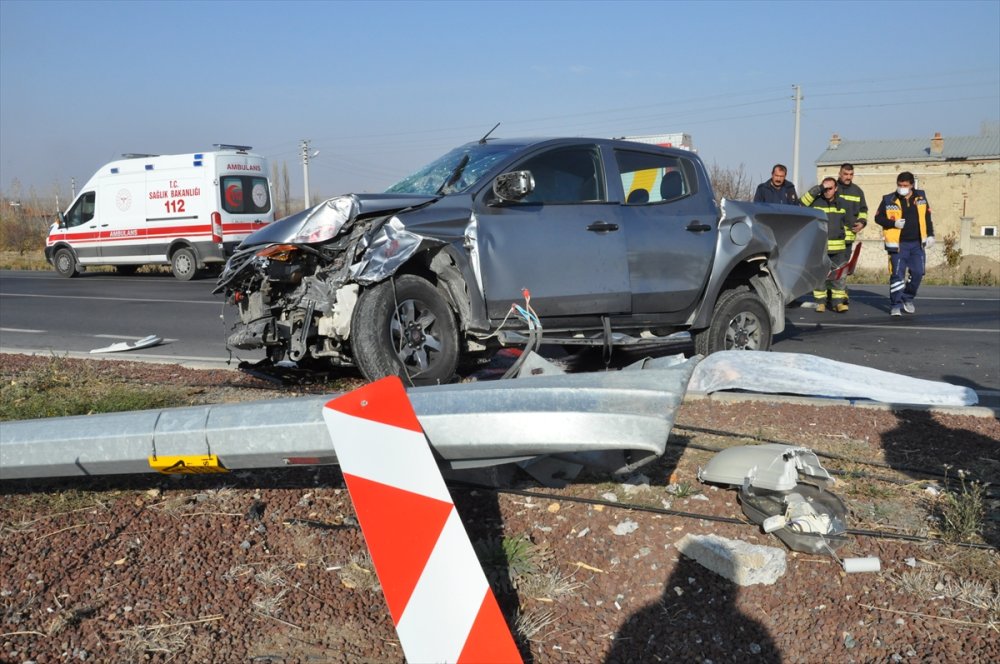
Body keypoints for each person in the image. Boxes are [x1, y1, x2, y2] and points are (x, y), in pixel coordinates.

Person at [801, 164, 867, 305]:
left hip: (847, 239)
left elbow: (863, 210)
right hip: (830, 239)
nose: (848, 177)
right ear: (839, 174)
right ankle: (829, 298)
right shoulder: (829, 190)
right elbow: (803, 204)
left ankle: (840, 297)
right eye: (845, 174)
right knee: (827, 269)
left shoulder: (857, 191)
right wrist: (820, 188)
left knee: (841, 271)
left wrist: (862, 222)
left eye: (851, 174)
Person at [874, 171, 935, 316]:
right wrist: (893, 223)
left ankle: (907, 298)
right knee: (897, 275)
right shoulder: (888, 199)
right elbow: (878, 218)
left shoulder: (921, 198)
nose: (902, 188)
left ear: (912, 185)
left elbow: (927, 217)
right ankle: (895, 304)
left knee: (918, 273)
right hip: (898, 245)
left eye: (905, 185)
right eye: (899, 185)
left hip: (917, 244)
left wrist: (930, 234)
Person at [804, 177, 852, 312]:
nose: (827, 191)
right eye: (824, 188)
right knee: (820, 275)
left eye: (830, 188)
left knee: (839, 277)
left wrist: (848, 246)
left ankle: (838, 303)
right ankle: (820, 302)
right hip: (820, 247)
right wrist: (818, 189)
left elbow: (849, 224)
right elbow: (801, 203)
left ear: (836, 188)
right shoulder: (815, 202)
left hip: (839, 249)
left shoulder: (843, 203)